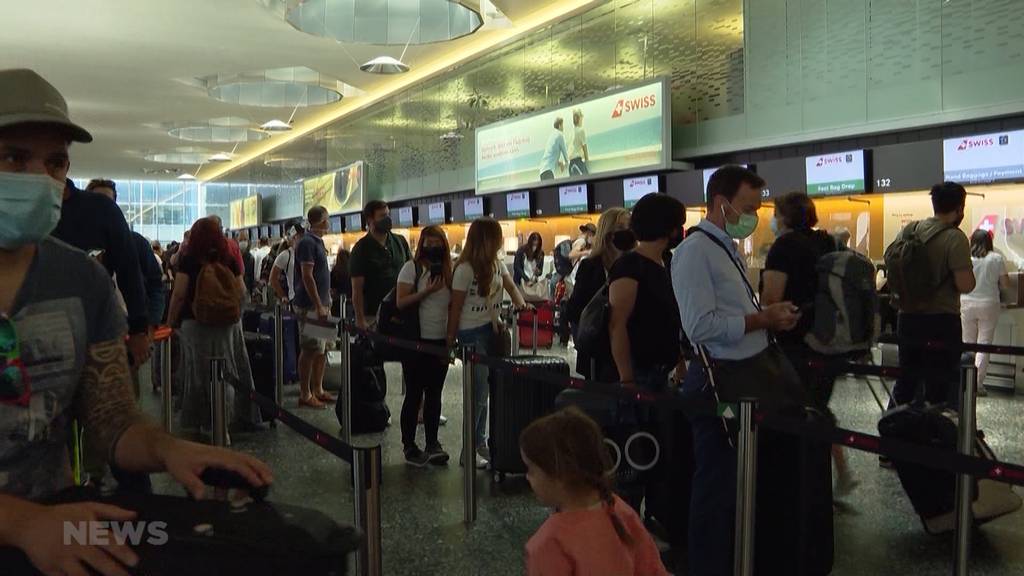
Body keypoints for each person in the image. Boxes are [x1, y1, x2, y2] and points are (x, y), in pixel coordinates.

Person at [0, 68, 272, 576]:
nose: (41, 177)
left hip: (59, 539)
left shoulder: (83, 281)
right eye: (15, 157)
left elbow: (110, 421)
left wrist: (167, 449)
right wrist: (20, 524)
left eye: (55, 163)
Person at [672, 165, 801, 576]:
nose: (754, 216)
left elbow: (731, 311)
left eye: (758, 208)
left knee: (736, 481)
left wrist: (767, 315)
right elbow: (700, 327)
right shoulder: (695, 252)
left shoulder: (725, 247)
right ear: (721, 203)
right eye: (747, 207)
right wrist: (761, 321)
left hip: (743, 377)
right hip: (718, 385)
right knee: (717, 483)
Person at [759, 192, 857, 495]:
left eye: (776, 214)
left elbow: (772, 299)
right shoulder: (826, 241)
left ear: (785, 217)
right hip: (829, 338)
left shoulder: (784, 246)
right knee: (816, 405)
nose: (774, 220)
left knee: (796, 411)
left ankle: (801, 482)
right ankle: (835, 473)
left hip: (795, 340)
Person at [521, 407, 668, 576]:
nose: (527, 477)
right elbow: (653, 569)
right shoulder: (619, 510)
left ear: (559, 475)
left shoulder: (549, 542)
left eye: (531, 469)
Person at [166, 216, 262, 432]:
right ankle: (229, 422)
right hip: (228, 324)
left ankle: (202, 422)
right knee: (230, 370)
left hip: (196, 322)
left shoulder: (189, 259)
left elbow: (179, 294)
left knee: (198, 374)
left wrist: (170, 322)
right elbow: (241, 291)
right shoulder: (228, 257)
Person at [448, 218, 530, 469]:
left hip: (492, 331)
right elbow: (456, 308)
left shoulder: (496, 264)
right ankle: (469, 449)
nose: (501, 240)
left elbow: (512, 287)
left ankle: (480, 443)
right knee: (479, 393)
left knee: (488, 391)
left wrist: (522, 304)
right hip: (471, 334)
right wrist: (449, 342)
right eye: (497, 236)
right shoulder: (464, 269)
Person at [890, 182, 975, 408]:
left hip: (906, 318)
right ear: (960, 208)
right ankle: (931, 435)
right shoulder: (955, 238)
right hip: (941, 321)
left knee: (906, 380)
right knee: (939, 384)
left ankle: (894, 431)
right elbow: (965, 285)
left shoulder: (910, 230)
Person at [53, 181, 150, 368]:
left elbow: (130, 272)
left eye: (55, 162)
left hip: (95, 333)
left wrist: (139, 329)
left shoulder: (102, 211)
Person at [609, 194, 685, 392]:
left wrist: (679, 362)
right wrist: (626, 379)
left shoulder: (667, 262)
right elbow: (617, 324)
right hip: (639, 373)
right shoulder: (629, 266)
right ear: (668, 228)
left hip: (662, 369)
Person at [396, 226, 453, 466]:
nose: (433, 248)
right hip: (416, 340)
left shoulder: (450, 271)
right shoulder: (412, 268)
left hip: (440, 340)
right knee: (414, 393)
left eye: (437, 242)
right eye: (428, 243)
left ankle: (432, 443)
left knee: (434, 394)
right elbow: (401, 302)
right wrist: (427, 291)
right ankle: (409, 445)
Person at [86, 179, 167, 332]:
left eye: (108, 203)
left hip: (133, 330)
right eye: (97, 202)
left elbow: (155, 285)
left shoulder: (136, 243)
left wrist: (150, 324)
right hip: (92, 332)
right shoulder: (79, 243)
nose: (103, 209)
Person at [565, 207, 631, 378]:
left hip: (628, 347)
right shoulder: (590, 266)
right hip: (598, 353)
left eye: (629, 227)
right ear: (608, 232)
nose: (627, 232)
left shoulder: (634, 264)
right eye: (621, 228)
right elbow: (576, 307)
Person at [293, 206, 336, 409]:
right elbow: (307, 276)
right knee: (310, 349)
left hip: (322, 304)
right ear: (320, 221)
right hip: (311, 305)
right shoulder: (308, 243)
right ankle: (305, 392)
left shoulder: (317, 242)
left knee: (321, 349)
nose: (329, 222)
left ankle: (318, 389)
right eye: (327, 219)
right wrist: (318, 304)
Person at [350, 200, 412, 331]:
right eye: (383, 216)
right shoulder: (361, 249)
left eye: (388, 215)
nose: (388, 219)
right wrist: (360, 319)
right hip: (373, 315)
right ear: (370, 219)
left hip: (400, 313)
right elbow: (357, 289)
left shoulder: (400, 242)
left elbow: (411, 271)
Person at [961, 228, 1008, 397]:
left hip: (966, 302)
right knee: (984, 345)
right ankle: (977, 384)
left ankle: (965, 382)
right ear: (989, 242)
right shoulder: (996, 258)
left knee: (967, 344)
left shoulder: (966, 258)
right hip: (989, 304)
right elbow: (1005, 284)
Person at [270, 221, 304, 306]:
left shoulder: (309, 253)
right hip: (294, 299)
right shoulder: (286, 255)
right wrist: (283, 296)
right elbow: (273, 279)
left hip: (309, 300)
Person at [330, 247, 352, 318]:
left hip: (337, 303)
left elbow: (332, 289)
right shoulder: (353, 271)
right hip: (350, 302)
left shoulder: (335, 271)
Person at [568, 108, 589, 177]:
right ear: (579, 118)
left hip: (571, 165)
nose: (582, 119)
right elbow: (584, 147)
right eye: (581, 117)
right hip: (577, 163)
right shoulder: (581, 130)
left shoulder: (571, 132)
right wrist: (587, 160)